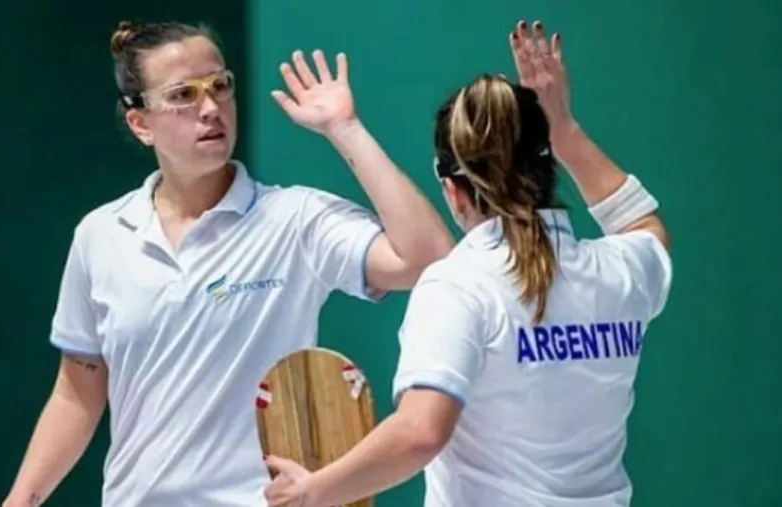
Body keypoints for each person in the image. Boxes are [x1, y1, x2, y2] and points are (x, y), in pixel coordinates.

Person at [1, 19, 453, 507]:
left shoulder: (295, 220)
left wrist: (345, 129)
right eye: (183, 95)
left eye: (220, 86)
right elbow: (76, 395)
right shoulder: (101, 235)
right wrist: (20, 501)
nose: (211, 108)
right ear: (141, 123)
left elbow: (429, 261)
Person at [264, 19, 672, 507]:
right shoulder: (623, 272)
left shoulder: (458, 286)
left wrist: (313, 491)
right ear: (547, 167)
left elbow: (421, 432)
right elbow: (642, 224)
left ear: (453, 192)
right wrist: (563, 127)